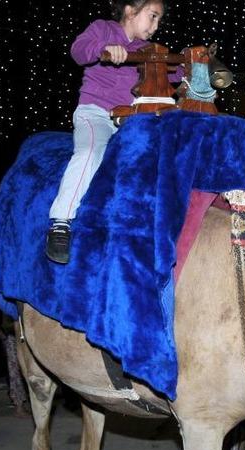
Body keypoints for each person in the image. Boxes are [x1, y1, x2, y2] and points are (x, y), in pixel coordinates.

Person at [46, 0, 178, 264]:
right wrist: (103, 48)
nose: (156, 26)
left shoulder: (148, 50)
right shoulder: (102, 29)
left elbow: (172, 73)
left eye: (159, 20)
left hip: (130, 120)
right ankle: (61, 222)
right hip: (96, 113)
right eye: (152, 17)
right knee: (91, 151)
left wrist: (194, 71)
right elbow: (78, 51)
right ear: (130, 10)